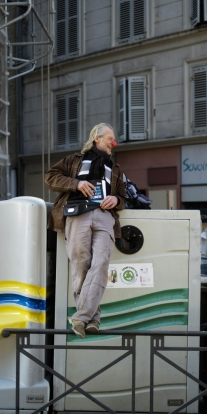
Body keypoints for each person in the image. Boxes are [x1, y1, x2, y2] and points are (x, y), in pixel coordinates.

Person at [45, 123, 125, 338]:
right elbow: (50, 177)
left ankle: (80, 318)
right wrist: (76, 184)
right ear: (97, 138)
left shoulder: (115, 168)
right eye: (110, 138)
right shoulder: (74, 160)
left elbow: (123, 198)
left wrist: (116, 198)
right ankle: (93, 318)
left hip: (105, 217)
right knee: (81, 265)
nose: (113, 143)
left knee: (100, 263)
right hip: (77, 213)